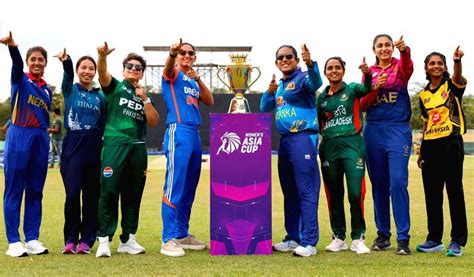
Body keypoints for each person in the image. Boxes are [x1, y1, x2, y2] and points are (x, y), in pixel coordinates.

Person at [95, 42, 159, 258]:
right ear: (124, 69)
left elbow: (153, 121)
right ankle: (104, 239)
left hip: (138, 148)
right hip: (115, 144)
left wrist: (146, 99)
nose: (133, 69)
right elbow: (102, 73)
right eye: (130, 66)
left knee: (133, 193)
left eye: (138, 67)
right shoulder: (115, 87)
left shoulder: (143, 94)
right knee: (109, 190)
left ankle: (128, 238)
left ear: (142, 73)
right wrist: (102, 57)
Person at [317, 57, 385, 255]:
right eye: (330, 68)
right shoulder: (321, 98)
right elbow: (320, 123)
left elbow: (367, 88)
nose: (334, 71)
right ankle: (338, 237)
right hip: (329, 145)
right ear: (325, 72)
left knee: (356, 192)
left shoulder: (353, 89)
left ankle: (358, 237)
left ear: (343, 71)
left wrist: (367, 73)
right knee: (334, 193)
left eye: (337, 67)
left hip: (352, 144)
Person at [260, 44, 322, 257]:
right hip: (285, 142)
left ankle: (310, 241)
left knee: (306, 189)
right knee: (290, 191)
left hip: (303, 138)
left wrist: (310, 64)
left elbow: (317, 83)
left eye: (289, 56)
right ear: (276, 62)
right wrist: (268, 93)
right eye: (280, 57)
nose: (284, 59)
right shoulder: (279, 86)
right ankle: (293, 238)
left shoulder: (303, 77)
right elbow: (264, 108)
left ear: (296, 60)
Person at [359, 34, 413, 255]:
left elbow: (408, 67)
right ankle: (383, 236)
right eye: (380, 46)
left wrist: (404, 50)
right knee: (379, 184)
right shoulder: (368, 72)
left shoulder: (400, 66)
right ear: (374, 49)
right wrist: (373, 86)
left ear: (392, 47)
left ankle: (403, 238)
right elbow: (363, 105)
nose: (384, 48)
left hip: (397, 128)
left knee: (398, 181)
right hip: (373, 129)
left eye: (387, 45)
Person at [160, 39, 214, 257]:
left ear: (195, 57)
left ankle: (182, 234)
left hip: (194, 133)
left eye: (190, 53)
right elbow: (167, 68)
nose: (186, 55)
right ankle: (168, 239)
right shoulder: (173, 74)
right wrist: (172, 54)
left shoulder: (192, 80)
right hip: (178, 131)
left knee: (189, 186)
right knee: (175, 185)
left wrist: (199, 79)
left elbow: (209, 100)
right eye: (183, 52)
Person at [1, 31, 51, 257]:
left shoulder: (47, 89)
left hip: (40, 137)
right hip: (19, 134)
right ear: (28, 62)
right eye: (34, 59)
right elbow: (16, 63)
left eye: (41, 59)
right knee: (14, 189)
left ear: (46, 64)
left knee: (35, 191)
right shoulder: (20, 79)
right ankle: (13, 241)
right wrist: (13, 47)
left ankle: (32, 237)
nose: (37, 62)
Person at [416, 47, 468, 257]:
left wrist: (457, 61)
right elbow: (426, 123)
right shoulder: (423, 95)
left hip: (451, 143)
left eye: (440, 63)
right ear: (426, 68)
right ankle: (434, 239)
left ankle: (457, 241)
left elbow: (458, 77)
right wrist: (421, 152)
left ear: (445, 67)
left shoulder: (452, 86)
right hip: (430, 147)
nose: (436, 66)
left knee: (455, 192)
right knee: (432, 194)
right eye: (432, 63)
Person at [54, 49, 106, 254]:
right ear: (77, 71)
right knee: (73, 194)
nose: (87, 71)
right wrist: (67, 62)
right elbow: (67, 76)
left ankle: (86, 240)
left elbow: (103, 122)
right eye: (83, 67)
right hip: (73, 145)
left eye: (91, 68)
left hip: (93, 146)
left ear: (94, 72)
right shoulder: (70, 89)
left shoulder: (100, 97)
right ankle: (70, 239)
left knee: (92, 196)